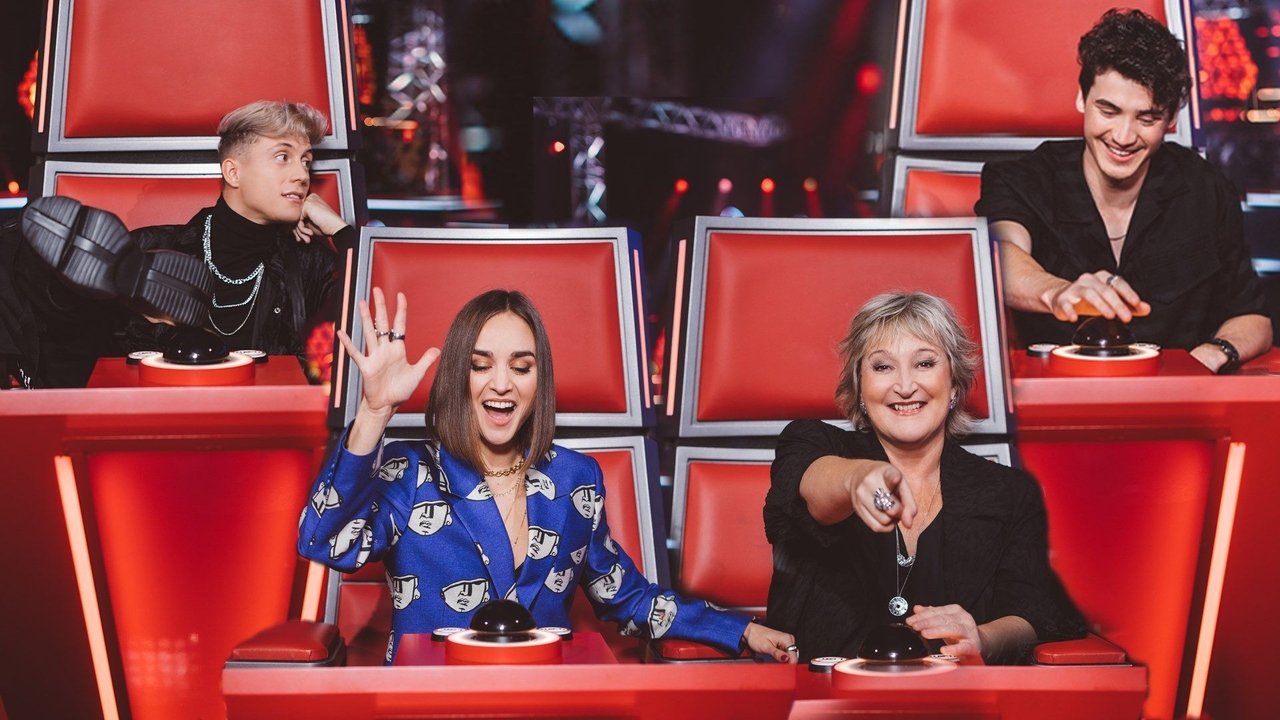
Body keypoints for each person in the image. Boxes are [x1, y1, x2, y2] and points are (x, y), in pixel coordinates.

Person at [298, 287, 798, 664]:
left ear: (540, 382)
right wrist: (374, 413)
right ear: (457, 376)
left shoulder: (576, 479)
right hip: (431, 704)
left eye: (521, 367)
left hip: (545, 698)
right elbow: (322, 542)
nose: (501, 384)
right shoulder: (410, 469)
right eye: (481, 365)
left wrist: (739, 630)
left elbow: (626, 596)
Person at [764, 292, 1085, 663]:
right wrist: (857, 478)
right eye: (883, 367)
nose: (905, 386)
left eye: (924, 363)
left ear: (954, 386)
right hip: (825, 692)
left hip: (956, 693)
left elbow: (1033, 608)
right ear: (860, 388)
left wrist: (981, 638)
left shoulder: (1009, 491)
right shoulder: (811, 441)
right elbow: (814, 490)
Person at [975, 8, 1271, 373]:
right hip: (1054, 393)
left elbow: (1254, 318)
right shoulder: (1023, 177)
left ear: (1171, 119)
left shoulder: (1207, 189)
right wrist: (1058, 292)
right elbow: (999, 255)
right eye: (1108, 111)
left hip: (1174, 396)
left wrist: (1205, 358)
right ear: (1082, 99)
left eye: (1147, 118)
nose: (1124, 136)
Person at [2, 100, 351, 387]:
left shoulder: (311, 265)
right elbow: (76, 347)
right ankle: (63, 288)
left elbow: (367, 328)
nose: (302, 175)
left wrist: (340, 231)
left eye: (306, 161)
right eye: (283, 157)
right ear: (233, 172)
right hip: (152, 422)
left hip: (270, 428)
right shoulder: (154, 250)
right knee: (61, 301)